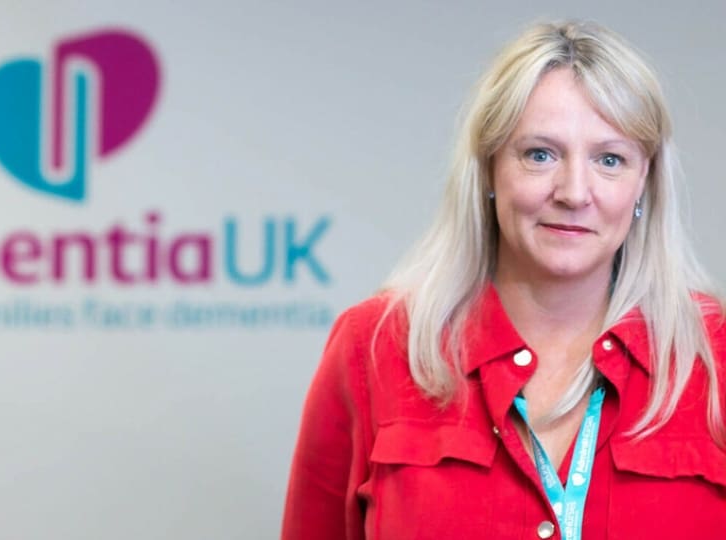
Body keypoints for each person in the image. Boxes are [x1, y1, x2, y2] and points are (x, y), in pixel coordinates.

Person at [281, 20, 726, 540]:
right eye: (540, 154)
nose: (574, 191)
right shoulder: (373, 346)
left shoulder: (714, 356)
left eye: (610, 159)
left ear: (643, 183)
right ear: (490, 170)